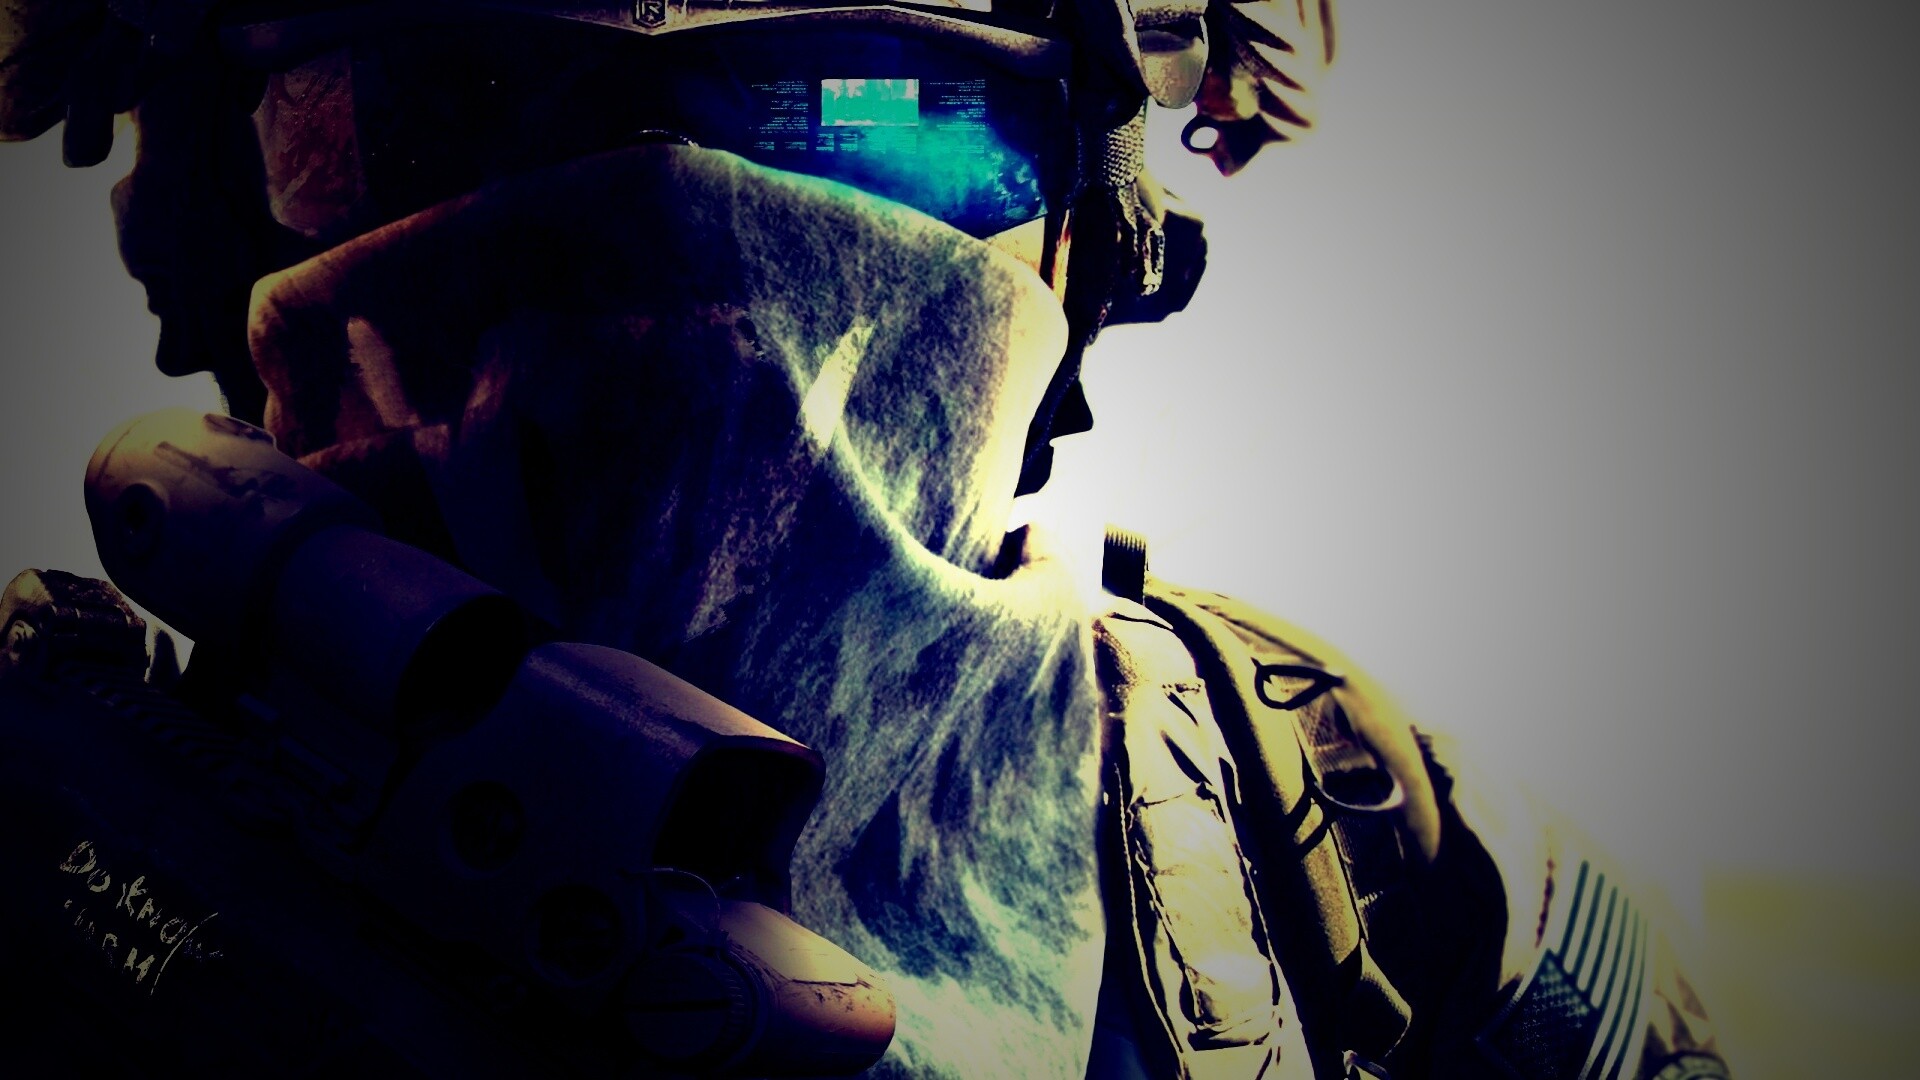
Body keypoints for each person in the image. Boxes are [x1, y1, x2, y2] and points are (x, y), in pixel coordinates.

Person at [0, 2, 1733, 1077]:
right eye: (451, 108)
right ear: (217, 226)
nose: (687, 235)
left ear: (1085, 230)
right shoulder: (70, 827)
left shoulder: (1353, 844)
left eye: (874, 119)